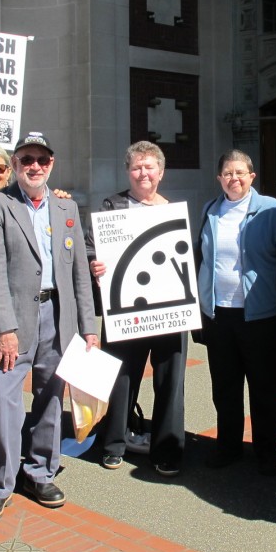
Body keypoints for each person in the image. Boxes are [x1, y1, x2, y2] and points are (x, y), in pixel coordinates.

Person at [0, 131, 98, 522]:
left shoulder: (67, 209)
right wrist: (4, 329)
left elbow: (79, 273)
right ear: (15, 164)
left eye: (42, 160)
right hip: (13, 323)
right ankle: (0, 483)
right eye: (27, 159)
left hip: (58, 319)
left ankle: (41, 471)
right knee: (6, 403)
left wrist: (89, 326)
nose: (34, 166)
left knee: (50, 398)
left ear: (51, 165)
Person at [87, 141, 187, 477]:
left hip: (168, 313)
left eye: (149, 167)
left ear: (161, 172)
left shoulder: (174, 210)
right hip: (125, 311)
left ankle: (167, 449)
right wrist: (94, 263)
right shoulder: (111, 206)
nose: (143, 173)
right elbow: (91, 247)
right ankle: (114, 443)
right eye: (136, 167)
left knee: (170, 381)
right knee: (122, 375)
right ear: (128, 172)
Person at [196, 149, 276, 475]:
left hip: (262, 315)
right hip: (220, 314)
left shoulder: (271, 210)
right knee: (225, 386)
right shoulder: (210, 210)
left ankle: (267, 451)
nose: (233, 178)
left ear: (252, 176)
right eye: (227, 173)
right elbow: (201, 259)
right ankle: (229, 446)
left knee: (264, 386)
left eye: (240, 173)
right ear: (219, 178)